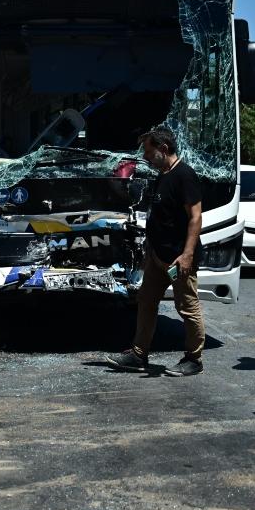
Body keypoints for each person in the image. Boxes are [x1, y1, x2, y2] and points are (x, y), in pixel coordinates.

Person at [106, 127, 206, 377]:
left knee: (187, 307)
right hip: (157, 258)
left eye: (150, 152)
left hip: (178, 258)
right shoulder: (164, 175)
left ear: (163, 149)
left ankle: (194, 358)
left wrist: (187, 254)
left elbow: (195, 218)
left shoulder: (185, 175)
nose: (147, 158)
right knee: (146, 302)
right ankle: (139, 355)